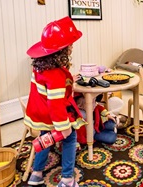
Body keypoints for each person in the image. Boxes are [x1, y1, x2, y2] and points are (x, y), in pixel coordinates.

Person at [24, 16, 86, 187]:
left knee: (46, 137)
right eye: (70, 45)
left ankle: (36, 174)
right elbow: (56, 104)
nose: (72, 47)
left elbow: (45, 91)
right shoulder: (56, 74)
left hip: (39, 112)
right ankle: (67, 179)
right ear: (62, 50)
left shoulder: (39, 66)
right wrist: (64, 127)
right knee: (70, 138)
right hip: (51, 114)